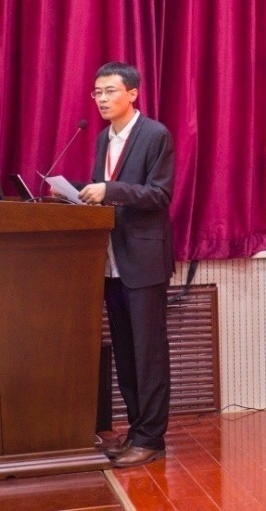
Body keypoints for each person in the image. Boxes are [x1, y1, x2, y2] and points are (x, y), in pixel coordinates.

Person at [78, 61, 175, 468]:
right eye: (97, 92)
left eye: (110, 91)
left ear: (132, 94)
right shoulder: (103, 138)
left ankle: (152, 438)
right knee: (125, 351)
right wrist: (79, 194)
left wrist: (110, 190)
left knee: (148, 353)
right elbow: (105, 193)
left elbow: (159, 195)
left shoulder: (155, 134)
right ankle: (136, 430)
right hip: (111, 261)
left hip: (144, 261)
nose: (101, 99)